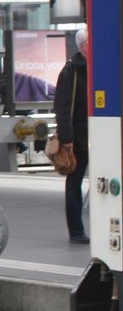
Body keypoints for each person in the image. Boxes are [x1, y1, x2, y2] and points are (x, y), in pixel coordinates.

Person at [55, 28, 90, 243]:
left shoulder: (101, 67)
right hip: (78, 138)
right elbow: (62, 106)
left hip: (99, 136)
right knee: (74, 182)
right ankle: (76, 231)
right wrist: (66, 138)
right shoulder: (71, 71)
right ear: (83, 44)